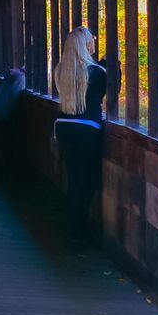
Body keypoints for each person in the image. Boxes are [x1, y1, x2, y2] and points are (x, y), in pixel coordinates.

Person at [51, 26, 110, 249]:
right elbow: (103, 93)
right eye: (92, 38)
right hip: (88, 128)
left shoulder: (60, 70)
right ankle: (77, 234)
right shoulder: (95, 72)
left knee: (74, 180)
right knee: (87, 183)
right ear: (86, 44)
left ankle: (74, 230)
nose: (94, 40)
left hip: (65, 126)